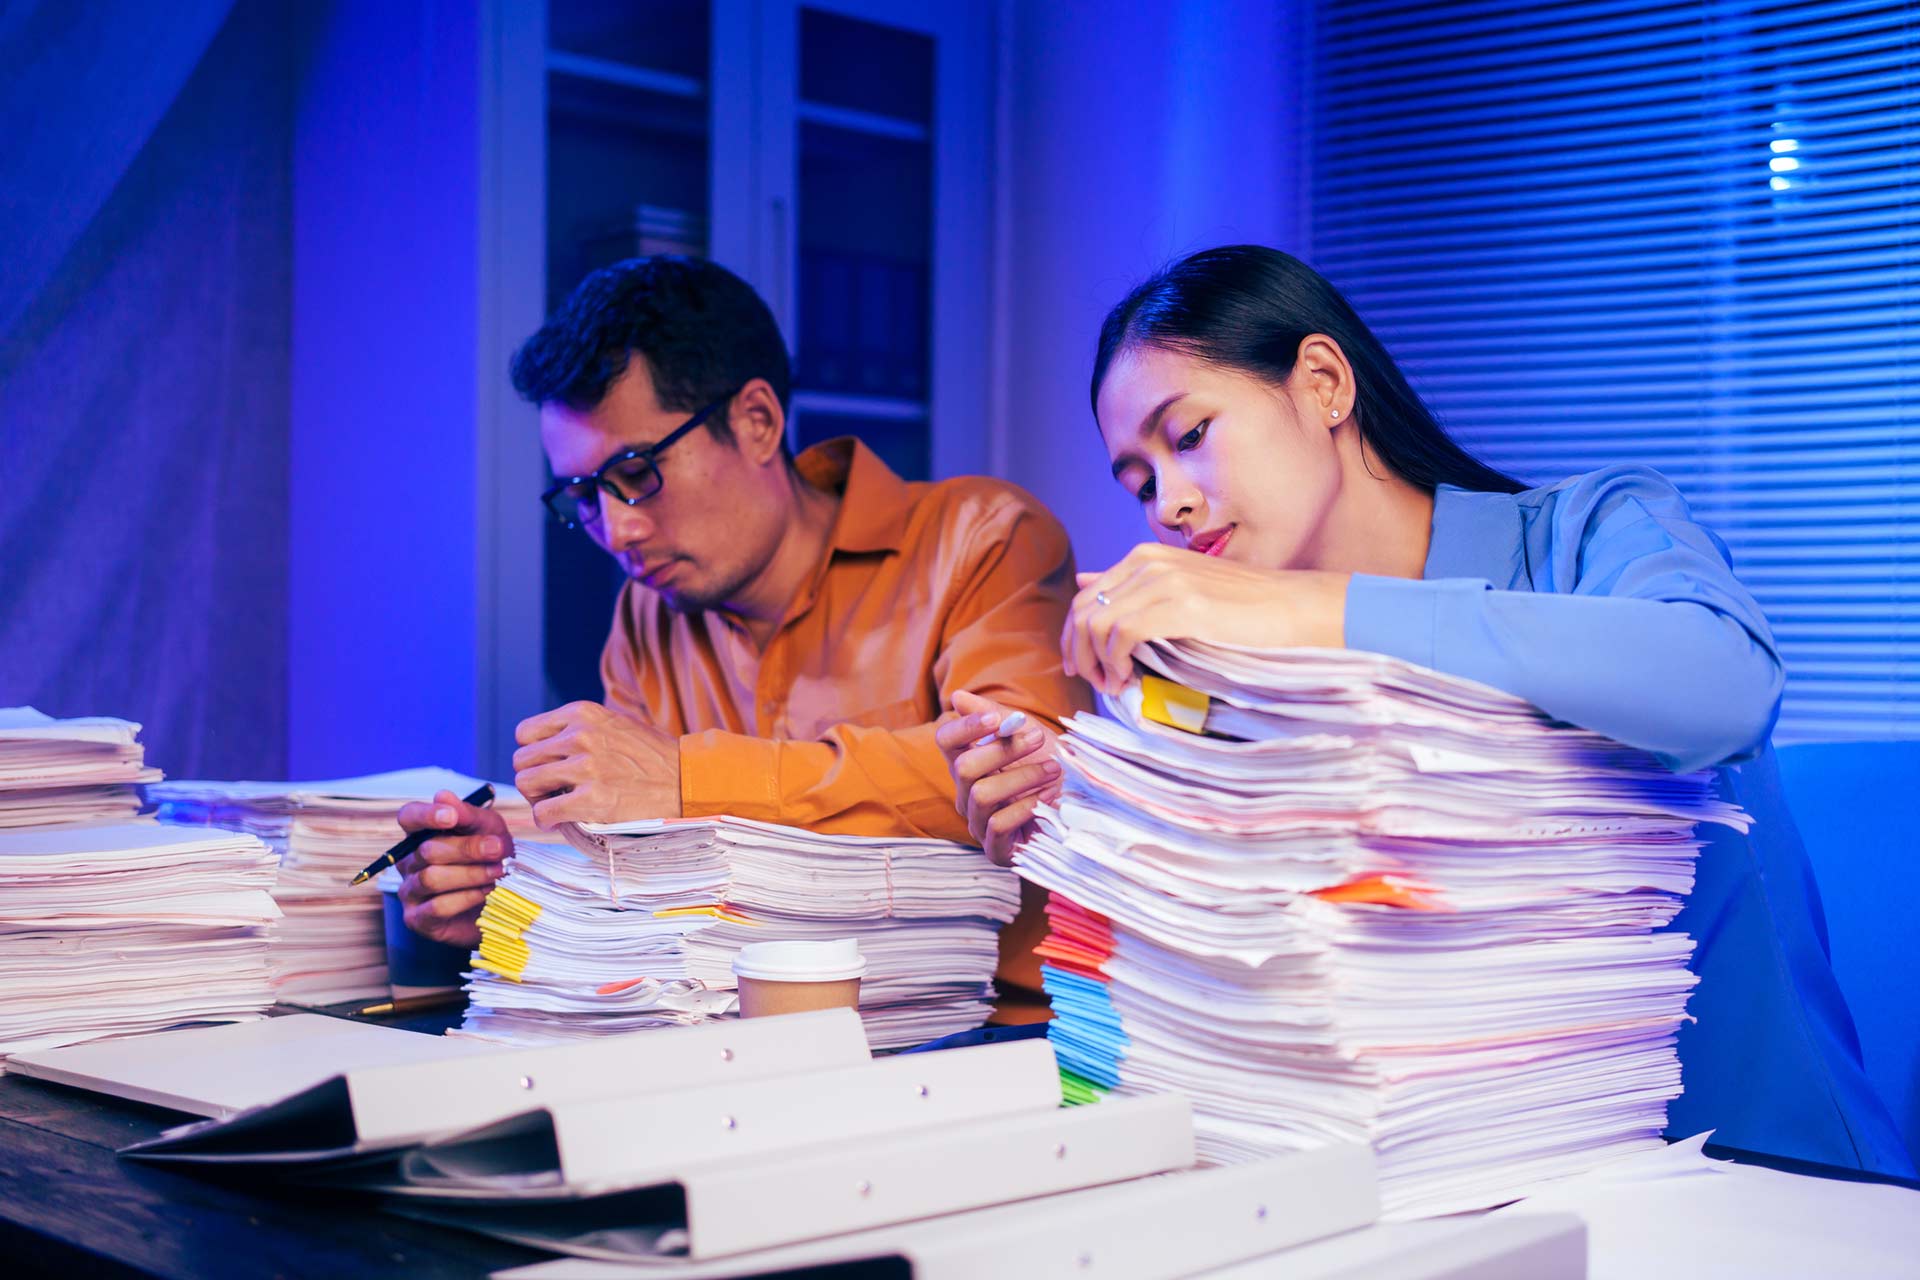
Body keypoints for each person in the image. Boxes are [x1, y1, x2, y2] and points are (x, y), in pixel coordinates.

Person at [936, 244, 1915, 1173]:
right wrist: (1089, 807)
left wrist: (1313, 608)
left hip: (1755, 1173)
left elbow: (1728, 683)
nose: (1169, 507)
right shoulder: (1239, 677)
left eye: (1190, 436)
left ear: (1323, 383)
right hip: (1448, 1182)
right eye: (1140, 481)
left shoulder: (1589, 531)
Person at [396, 256, 1089, 1018]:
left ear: (757, 421)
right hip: (727, 1039)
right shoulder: (648, 614)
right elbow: (639, 872)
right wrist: (505, 896)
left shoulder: (983, 539)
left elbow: (1025, 782)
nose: (618, 529)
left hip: (989, 1038)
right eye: (584, 496)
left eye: (635, 472)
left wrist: (689, 776)